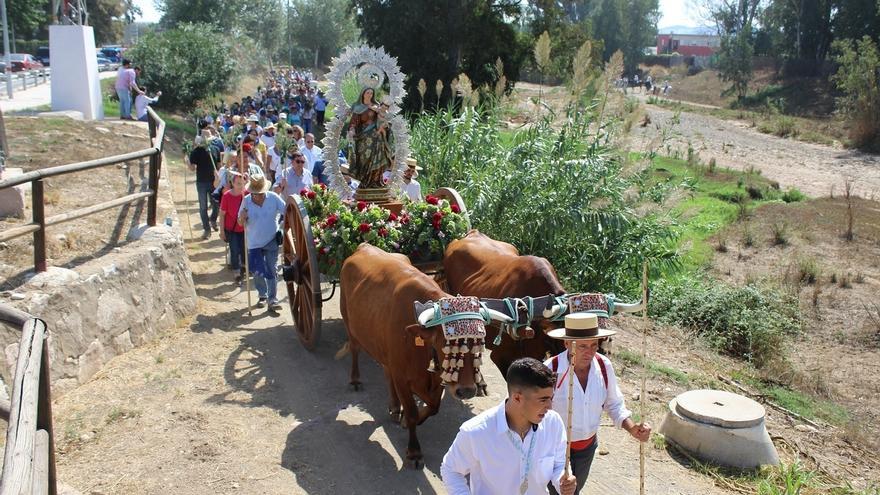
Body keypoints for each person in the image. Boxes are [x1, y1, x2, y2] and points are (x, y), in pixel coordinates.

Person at [545, 313, 651, 495]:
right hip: (555, 449)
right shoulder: (551, 370)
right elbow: (537, 413)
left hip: (587, 447)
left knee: (575, 489)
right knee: (559, 491)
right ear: (567, 343)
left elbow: (614, 404)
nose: (590, 351)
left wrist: (633, 428)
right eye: (583, 346)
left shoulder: (603, 366)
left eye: (594, 345)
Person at [441, 357, 577, 495]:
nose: (549, 406)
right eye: (543, 400)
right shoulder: (475, 432)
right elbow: (450, 470)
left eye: (550, 398)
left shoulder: (553, 423)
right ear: (517, 398)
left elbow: (559, 463)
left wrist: (563, 480)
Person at [238, 175, 286, 311]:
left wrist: (283, 225)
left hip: (271, 239)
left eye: (260, 193)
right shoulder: (246, 202)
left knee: (272, 269)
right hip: (254, 242)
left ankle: (272, 300)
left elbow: (287, 211)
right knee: (258, 271)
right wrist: (242, 218)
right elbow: (240, 223)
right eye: (255, 194)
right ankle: (262, 295)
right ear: (251, 192)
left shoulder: (273, 198)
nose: (258, 196)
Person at [347, 87, 394, 189]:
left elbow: (384, 119)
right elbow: (354, 122)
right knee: (364, 159)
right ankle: (365, 180)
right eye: (367, 92)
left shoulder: (376, 107)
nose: (369, 95)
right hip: (363, 138)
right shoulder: (358, 108)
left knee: (378, 157)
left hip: (377, 137)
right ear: (363, 94)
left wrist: (385, 125)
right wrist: (352, 130)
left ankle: (376, 181)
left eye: (371, 93)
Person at [219, 172, 248, 284]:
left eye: (242, 183)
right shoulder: (227, 196)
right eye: (238, 183)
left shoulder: (247, 195)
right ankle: (236, 272)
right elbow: (222, 214)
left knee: (244, 249)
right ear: (233, 183)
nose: (240, 186)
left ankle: (244, 267)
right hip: (231, 229)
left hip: (244, 228)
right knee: (235, 250)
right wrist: (222, 231)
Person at [188, 136, 220, 239]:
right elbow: (192, 168)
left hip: (214, 182)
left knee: (216, 204)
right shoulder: (195, 152)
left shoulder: (215, 149)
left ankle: (213, 219)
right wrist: (187, 161)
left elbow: (219, 165)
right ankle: (207, 229)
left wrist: (218, 176)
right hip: (201, 182)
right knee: (203, 207)